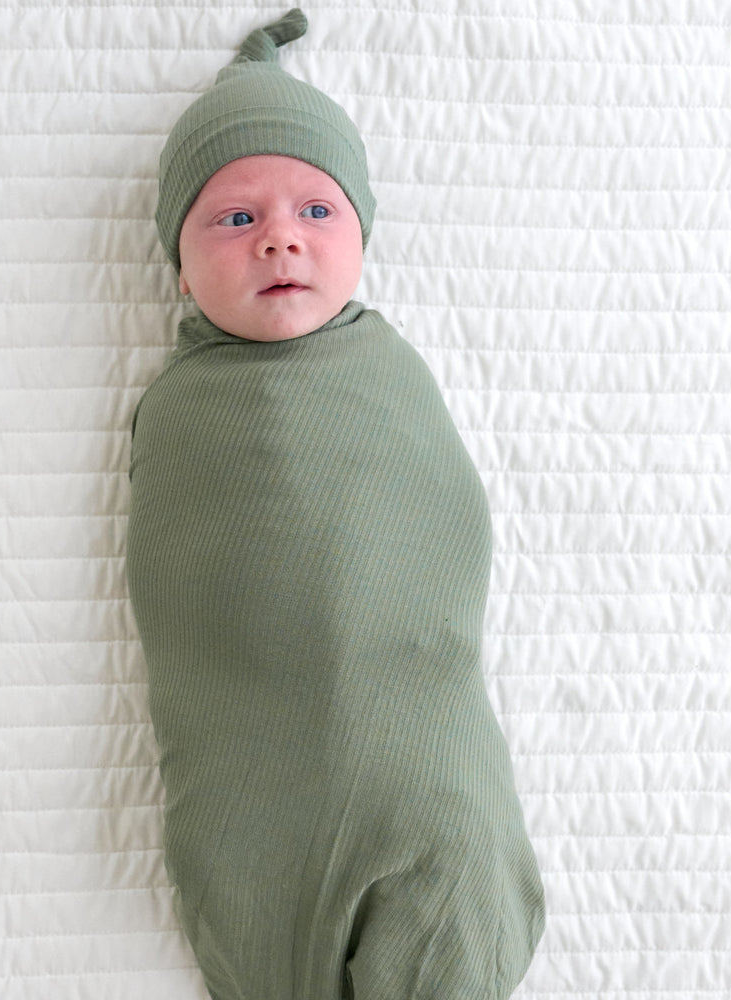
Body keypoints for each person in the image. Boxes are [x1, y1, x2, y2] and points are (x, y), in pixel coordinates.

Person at [126, 9, 545, 999]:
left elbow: (440, 523)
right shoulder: (180, 404)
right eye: (234, 219)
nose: (279, 237)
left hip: (417, 732)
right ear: (180, 269)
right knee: (253, 888)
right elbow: (180, 585)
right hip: (253, 751)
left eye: (316, 212)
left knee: (453, 859)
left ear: (362, 236)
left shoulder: (388, 369)